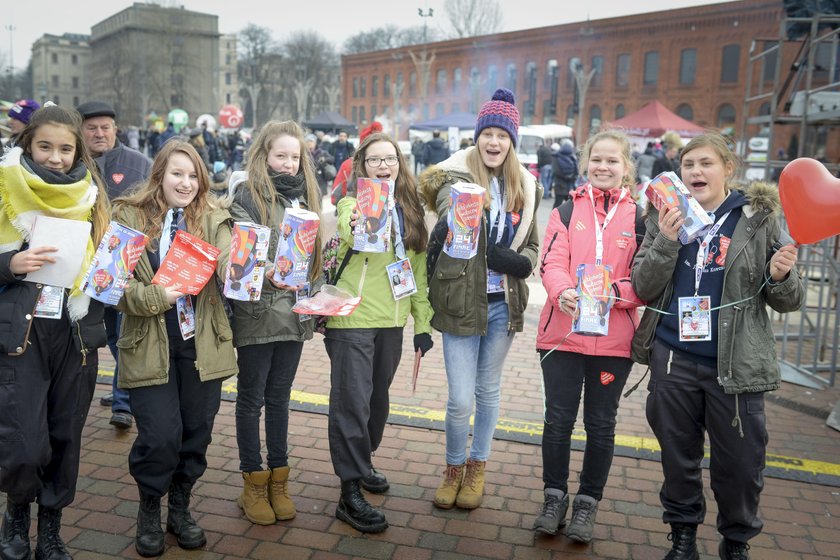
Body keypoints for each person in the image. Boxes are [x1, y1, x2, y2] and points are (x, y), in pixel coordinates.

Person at [630, 132, 804, 560]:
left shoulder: (757, 219)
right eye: (688, 165)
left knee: (741, 465)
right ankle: (683, 535)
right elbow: (642, 285)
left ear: (729, 168)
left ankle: (736, 541)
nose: (695, 172)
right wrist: (668, 241)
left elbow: (787, 302)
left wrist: (781, 276)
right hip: (673, 357)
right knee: (678, 459)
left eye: (706, 163)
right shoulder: (663, 214)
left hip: (736, 365)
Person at [112, 140, 236, 557]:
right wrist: (155, 297)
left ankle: (179, 507)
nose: (185, 182)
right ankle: (150, 505)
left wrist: (249, 268)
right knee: (161, 433)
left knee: (196, 432)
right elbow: (111, 285)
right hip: (149, 340)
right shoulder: (128, 215)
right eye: (176, 173)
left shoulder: (216, 217)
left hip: (202, 343)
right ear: (159, 174)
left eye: (193, 174)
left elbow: (228, 262)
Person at [420, 88, 541, 511]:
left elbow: (534, 248)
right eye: (487, 133)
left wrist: (522, 262)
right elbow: (437, 198)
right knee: (459, 399)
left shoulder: (525, 186)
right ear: (477, 137)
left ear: (512, 141)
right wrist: (455, 208)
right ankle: (452, 468)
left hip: (502, 303)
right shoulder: (455, 177)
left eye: (502, 135)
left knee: (488, 392)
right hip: (459, 301)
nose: (494, 142)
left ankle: (477, 468)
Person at [0, 103, 109, 560]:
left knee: (65, 435)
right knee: (25, 437)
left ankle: (50, 527)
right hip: (21, 335)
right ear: (28, 143)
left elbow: (109, 263)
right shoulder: (5, 187)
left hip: (75, 333)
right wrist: (9, 264)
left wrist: (111, 272)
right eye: (45, 146)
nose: (56, 157)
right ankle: (16, 516)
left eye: (66, 149)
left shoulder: (93, 194)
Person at [533, 130, 645, 543]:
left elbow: (647, 278)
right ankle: (554, 497)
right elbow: (551, 263)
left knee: (601, 425)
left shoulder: (641, 218)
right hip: (562, 337)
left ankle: (587, 504)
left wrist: (614, 294)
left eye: (612, 161)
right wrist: (562, 292)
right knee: (558, 421)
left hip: (614, 344)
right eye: (597, 159)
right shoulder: (564, 211)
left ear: (626, 167)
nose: (603, 167)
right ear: (585, 163)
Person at [326, 131, 433, 533]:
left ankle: (362, 460)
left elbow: (418, 273)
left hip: (393, 320)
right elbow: (352, 230)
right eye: (375, 160)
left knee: (377, 406)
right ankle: (349, 492)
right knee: (351, 404)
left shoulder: (412, 209)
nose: (384, 166)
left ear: (400, 164)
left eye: (390, 159)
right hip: (352, 318)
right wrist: (361, 217)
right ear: (362, 166)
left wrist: (422, 324)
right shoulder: (351, 202)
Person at [228, 120, 323, 526]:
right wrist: (266, 268)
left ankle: (278, 479)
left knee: (281, 397)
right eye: (280, 155)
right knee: (251, 399)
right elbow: (237, 250)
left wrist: (320, 294)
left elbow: (316, 258)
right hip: (257, 312)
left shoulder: (308, 198)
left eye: (294, 156)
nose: (288, 164)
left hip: (295, 314)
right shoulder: (247, 196)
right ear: (263, 155)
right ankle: (253, 480)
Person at [76, 100, 153, 431]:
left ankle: (123, 403)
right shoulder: (73, 163)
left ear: (115, 129)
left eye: (105, 127)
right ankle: (123, 389)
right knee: (103, 333)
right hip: (82, 264)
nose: (98, 133)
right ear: (81, 131)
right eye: (91, 128)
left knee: (124, 333)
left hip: (124, 265)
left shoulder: (138, 164)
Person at [551, 139, 579, 208]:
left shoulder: (556, 156)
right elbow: (576, 172)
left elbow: (556, 171)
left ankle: (557, 218)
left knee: (562, 205)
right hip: (564, 185)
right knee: (566, 205)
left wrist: (570, 177)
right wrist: (571, 177)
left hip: (562, 185)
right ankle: (556, 218)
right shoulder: (573, 158)